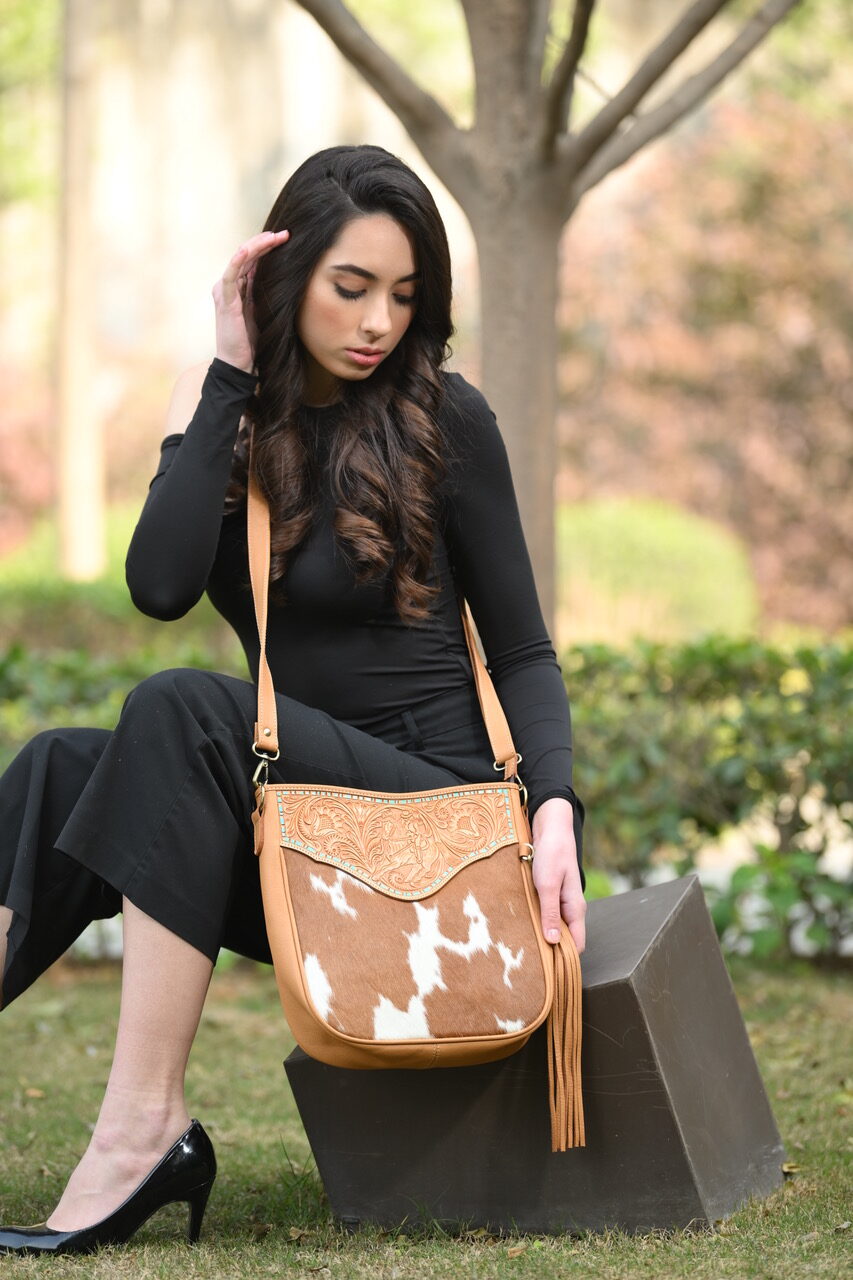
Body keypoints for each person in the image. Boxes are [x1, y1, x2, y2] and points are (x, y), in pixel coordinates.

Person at [0, 144, 586, 1256]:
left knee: (179, 710)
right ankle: (144, 1131)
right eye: (350, 286)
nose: (377, 320)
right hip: (302, 824)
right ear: (285, 274)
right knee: (58, 769)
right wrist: (228, 373)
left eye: (404, 295)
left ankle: (142, 1127)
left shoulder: (445, 419)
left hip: (431, 832)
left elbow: (520, 646)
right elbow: (160, 587)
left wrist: (553, 804)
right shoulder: (221, 402)